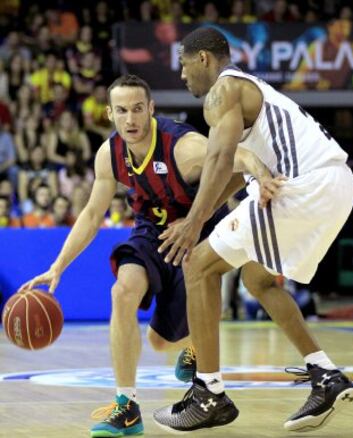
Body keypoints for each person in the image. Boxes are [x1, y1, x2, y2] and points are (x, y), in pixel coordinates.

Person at [19, 74, 273, 437]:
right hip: (150, 233)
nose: (131, 119)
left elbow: (239, 155)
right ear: (109, 113)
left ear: (151, 109)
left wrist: (261, 175)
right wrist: (57, 266)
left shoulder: (182, 146)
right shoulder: (109, 154)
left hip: (197, 232)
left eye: (138, 109)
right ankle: (127, 408)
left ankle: (198, 346)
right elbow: (92, 215)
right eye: (122, 111)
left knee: (160, 342)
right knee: (122, 292)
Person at [153, 27, 353, 433]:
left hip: (303, 186)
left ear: (204, 59)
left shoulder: (222, 92)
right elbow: (230, 171)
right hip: (336, 186)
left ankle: (208, 393)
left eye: (183, 64)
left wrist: (194, 223)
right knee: (258, 278)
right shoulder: (248, 89)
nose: (181, 75)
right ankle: (325, 375)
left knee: (197, 266)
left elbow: (219, 158)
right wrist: (202, 213)